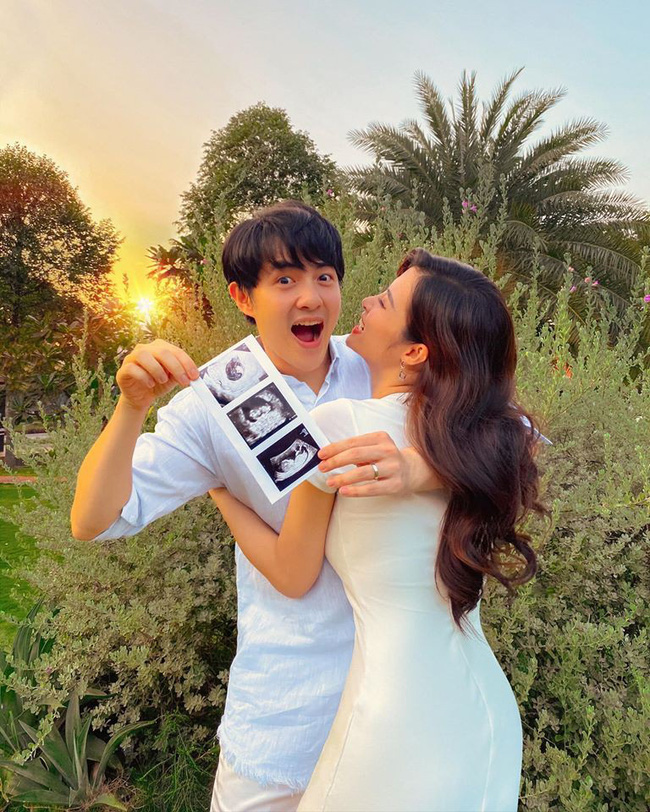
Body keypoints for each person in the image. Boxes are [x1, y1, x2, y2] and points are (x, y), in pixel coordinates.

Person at [69, 201, 439, 812]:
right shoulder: (210, 401)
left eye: (324, 276)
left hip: (389, 708)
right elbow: (94, 519)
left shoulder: (378, 362)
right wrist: (130, 408)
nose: (311, 298)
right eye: (285, 280)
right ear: (243, 297)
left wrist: (418, 469)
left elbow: (512, 440)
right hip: (283, 710)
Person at [210, 249, 547, 812]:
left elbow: (292, 572)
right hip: (482, 713)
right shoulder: (473, 433)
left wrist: (219, 490)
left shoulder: (340, 425)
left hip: (396, 715)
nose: (365, 300)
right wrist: (428, 466)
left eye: (385, 302)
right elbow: (526, 438)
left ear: (414, 351)